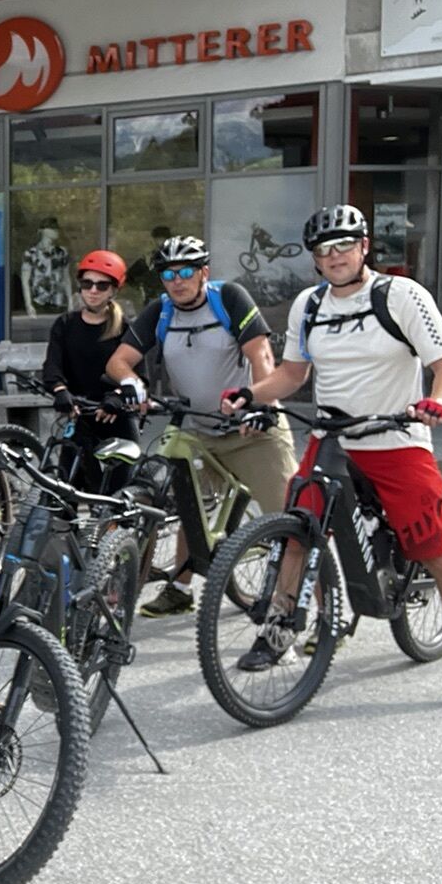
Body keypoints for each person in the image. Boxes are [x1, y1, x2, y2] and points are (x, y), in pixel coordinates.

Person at [222, 205, 442, 714]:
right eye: (324, 250)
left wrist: (439, 401)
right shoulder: (309, 304)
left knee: (437, 551)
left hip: (396, 440)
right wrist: (250, 394)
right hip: (332, 438)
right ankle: (280, 629)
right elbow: (292, 374)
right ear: (314, 259)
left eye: (344, 245)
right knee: (296, 534)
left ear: (365, 246)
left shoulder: (401, 296)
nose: (335, 257)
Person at [106, 235, 296, 617]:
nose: (177, 281)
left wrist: (259, 404)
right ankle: (179, 589)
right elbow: (118, 361)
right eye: (168, 274)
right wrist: (131, 382)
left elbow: (260, 354)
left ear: (204, 272)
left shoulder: (229, 299)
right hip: (195, 429)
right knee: (186, 504)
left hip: (251, 431)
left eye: (186, 272)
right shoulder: (161, 311)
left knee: (289, 520)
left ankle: (297, 610)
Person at [38, 250, 139, 490]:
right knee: (66, 490)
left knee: (117, 495)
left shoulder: (125, 328)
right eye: (87, 284)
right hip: (79, 415)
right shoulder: (65, 324)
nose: (93, 290)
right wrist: (60, 390)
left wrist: (118, 397)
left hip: (115, 417)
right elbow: (52, 364)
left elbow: (138, 376)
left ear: (113, 290)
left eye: (102, 285)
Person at [20, 215, 72, 318]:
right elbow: (25, 281)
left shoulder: (62, 252)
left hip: (58, 301)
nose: (56, 231)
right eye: (52, 228)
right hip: (38, 301)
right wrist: (28, 304)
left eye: (57, 228)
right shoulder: (31, 253)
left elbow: (66, 278)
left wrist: (70, 302)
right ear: (43, 231)